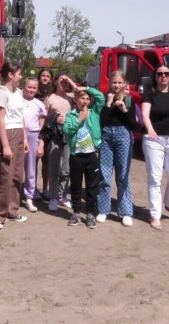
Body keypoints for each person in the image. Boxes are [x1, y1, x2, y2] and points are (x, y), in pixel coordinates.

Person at [141, 65, 169, 230]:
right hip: (153, 139)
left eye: (166, 73)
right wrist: (150, 128)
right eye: (159, 74)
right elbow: (145, 114)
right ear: (155, 76)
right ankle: (155, 214)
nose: (163, 76)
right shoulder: (150, 93)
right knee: (155, 178)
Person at [0, 61, 28, 230]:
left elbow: (21, 118)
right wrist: (5, 146)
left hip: (19, 133)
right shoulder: (2, 93)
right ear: (11, 75)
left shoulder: (18, 92)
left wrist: (25, 139)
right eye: (19, 74)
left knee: (17, 176)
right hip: (8, 135)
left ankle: (12, 210)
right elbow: (0, 120)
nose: (21, 77)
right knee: (6, 177)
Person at [97, 71, 138, 227]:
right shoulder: (103, 98)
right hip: (106, 136)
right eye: (114, 82)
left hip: (123, 136)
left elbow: (133, 125)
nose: (117, 86)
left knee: (123, 175)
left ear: (124, 84)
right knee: (104, 174)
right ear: (110, 83)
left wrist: (124, 109)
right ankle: (103, 210)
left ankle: (125, 212)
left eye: (120, 83)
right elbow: (100, 122)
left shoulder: (128, 100)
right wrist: (108, 104)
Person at [63, 84, 105, 229]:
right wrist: (80, 119)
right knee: (75, 185)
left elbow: (101, 97)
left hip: (92, 154)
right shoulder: (71, 115)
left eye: (87, 98)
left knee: (92, 186)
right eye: (82, 98)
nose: (85, 101)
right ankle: (75, 212)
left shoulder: (94, 112)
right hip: (76, 155)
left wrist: (86, 87)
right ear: (76, 100)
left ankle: (91, 213)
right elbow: (67, 129)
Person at [44, 74, 76, 212]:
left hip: (69, 135)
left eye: (65, 81)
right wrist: (55, 119)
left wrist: (70, 81)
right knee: (54, 167)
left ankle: (63, 196)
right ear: (55, 81)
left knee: (66, 168)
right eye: (61, 80)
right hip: (55, 135)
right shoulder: (49, 98)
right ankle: (53, 197)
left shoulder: (71, 97)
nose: (63, 82)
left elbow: (82, 94)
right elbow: (43, 117)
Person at [22, 77, 46, 213]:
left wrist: (40, 141)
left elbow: (41, 123)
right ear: (23, 87)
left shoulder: (39, 104)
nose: (31, 90)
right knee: (17, 167)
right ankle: (14, 195)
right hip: (18, 134)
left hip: (33, 135)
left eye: (34, 88)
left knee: (31, 168)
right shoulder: (17, 100)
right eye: (29, 87)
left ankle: (29, 196)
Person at [36, 69, 54, 199]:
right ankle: (34, 188)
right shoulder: (33, 90)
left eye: (48, 76)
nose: (45, 78)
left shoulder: (53, 92)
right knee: (34, 161)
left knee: (47, 161)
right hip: (35, 129)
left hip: (48, 130)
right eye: (43, 75)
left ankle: (46, 188)